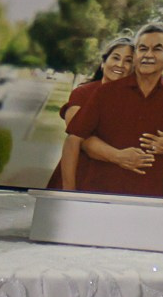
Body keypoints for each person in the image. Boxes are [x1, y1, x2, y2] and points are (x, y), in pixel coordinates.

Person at [66, 21, 163, 199]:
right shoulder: (105, 93)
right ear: (135, 55)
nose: (148, 55)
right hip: (96, 195)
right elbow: (74, 140)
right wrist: (68, 195)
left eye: (157, 49)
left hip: (149, 200)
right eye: (142, 48)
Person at [48, 34, 134, 190]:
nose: (120, 64)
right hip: (77, 177)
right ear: (103, 63)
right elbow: (82, 140)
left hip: (112, 181)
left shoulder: (136, 101)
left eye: (128, 61)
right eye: (115, 58)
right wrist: (118, 156)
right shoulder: (82, 94)